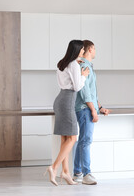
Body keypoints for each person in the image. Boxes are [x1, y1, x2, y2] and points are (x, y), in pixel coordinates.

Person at [45, 40, 90, 186]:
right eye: (82, 50)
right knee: (73, 138)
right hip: (68, 101)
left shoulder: (62, 63)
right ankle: (54, 167)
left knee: (65, 139)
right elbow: (77, 87)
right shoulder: (75, 65)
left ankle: (66, 173)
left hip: (60, 100)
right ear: (77, 50)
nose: (83, 52)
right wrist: (83, 75)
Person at [73, 40, 110, 185]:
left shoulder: (88, 66)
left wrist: (100, 108)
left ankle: (77, 172)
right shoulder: (83, 66)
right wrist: (93, 110)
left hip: (87, 108)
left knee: (82, 140)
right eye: (94, 48)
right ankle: (86, 174)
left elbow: (93, 93)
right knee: (85, 141)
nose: (95, 51)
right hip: (84, 109)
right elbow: (84, 91)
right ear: (90, 49)